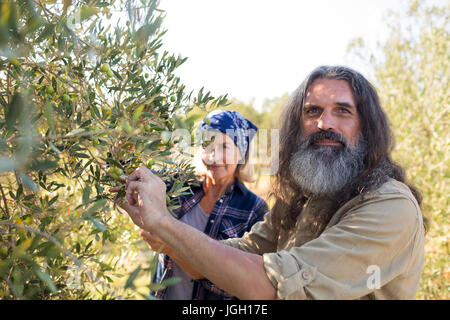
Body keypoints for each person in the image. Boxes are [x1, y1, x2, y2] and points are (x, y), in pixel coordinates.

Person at [115, 66, 426, 300]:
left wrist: (164, 223)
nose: (324, 123)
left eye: (342, 111)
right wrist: (162, 232)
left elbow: (269, 284)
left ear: (367, 127)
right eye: (312, 111)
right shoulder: (304, 201)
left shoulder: (390, 207)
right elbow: (226, 259)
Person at [145, 110, 268, 300]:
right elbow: (137, 178)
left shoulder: (254, 209)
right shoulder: (180, 186)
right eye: (207, 145)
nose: (214, 156)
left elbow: (239, 285)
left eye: (225, 147)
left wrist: (171, 248)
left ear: (241, 154)